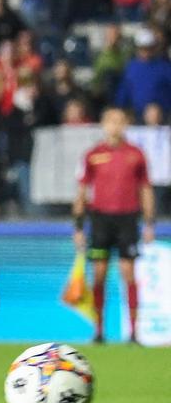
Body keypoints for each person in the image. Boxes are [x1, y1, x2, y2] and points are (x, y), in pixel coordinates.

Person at [73, 108, 156, 344]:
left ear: (126, 124)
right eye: (110, 121)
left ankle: (134, 332)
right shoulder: (92, 155)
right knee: (99, 275)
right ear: (103, 124)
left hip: (128, 219)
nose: (115, 126)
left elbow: (146, 189)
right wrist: (78, 226)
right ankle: (98, 331)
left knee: (128, 274)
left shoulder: (136, 154)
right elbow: (82, 191)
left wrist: (149, 222)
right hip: (100, 219)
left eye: (120, 121)